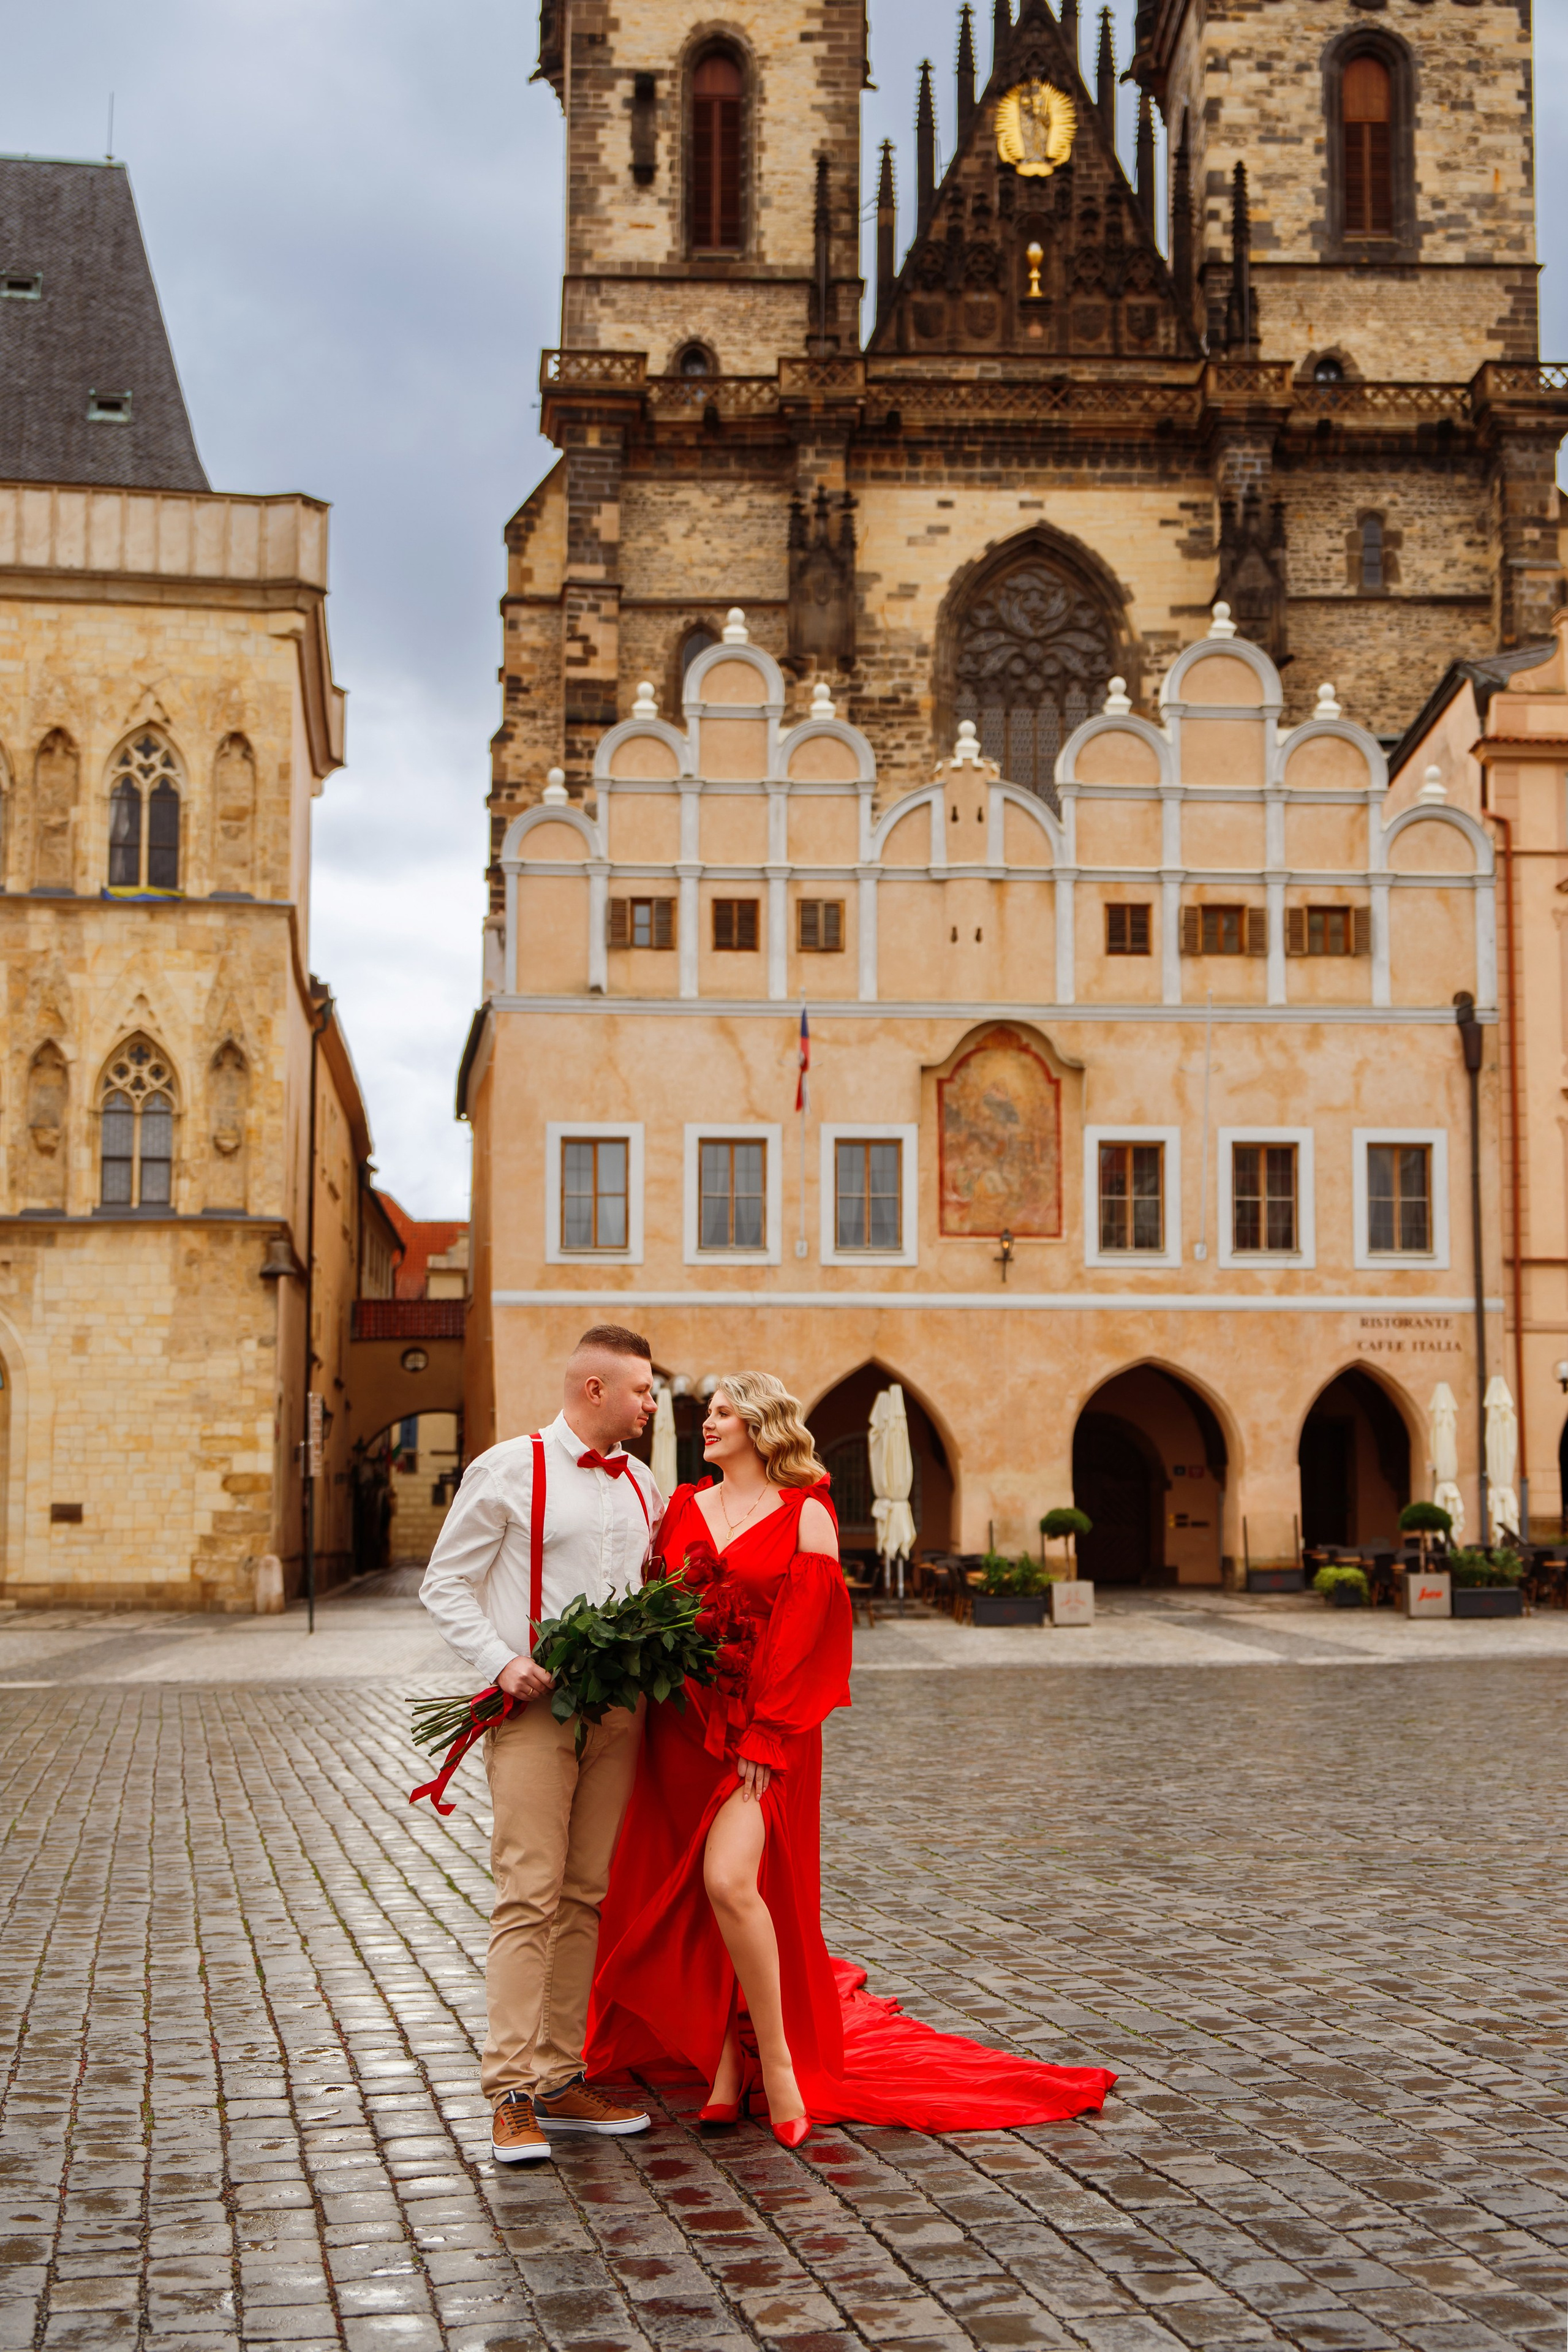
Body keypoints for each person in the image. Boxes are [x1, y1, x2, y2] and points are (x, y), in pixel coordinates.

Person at [586, 1372, 1117, 2141]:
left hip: (767, 1729)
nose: (709, 1422)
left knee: (732, 1883)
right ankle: (725, 2065)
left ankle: (777, 2067)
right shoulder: (682, 1510)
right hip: (683, 1731)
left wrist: (767, 1735)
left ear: (764, 1427)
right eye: (709, 1412)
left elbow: (812, 1638)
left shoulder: (808, 1513)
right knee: (702, 1902)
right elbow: (652, 1612)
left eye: (725, 1413)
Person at [420, 1324, 663, 2165]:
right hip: (532, 1713)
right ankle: (511, 2092)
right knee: (528, 1891)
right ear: (594, 1389)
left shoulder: (641, 1483)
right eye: (641, 1389)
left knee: (586, 1892)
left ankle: (562, 2078)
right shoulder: (508, 1468)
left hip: (618, 1714)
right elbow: (443, 1583)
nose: (651, 1403)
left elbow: (648, 1588)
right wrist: (503, 1662)